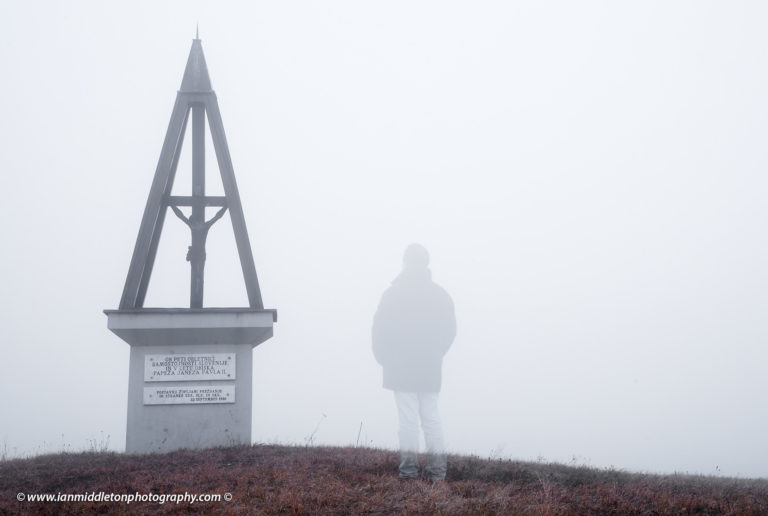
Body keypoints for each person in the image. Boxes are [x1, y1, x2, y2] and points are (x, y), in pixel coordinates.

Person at [372, 243, 456, 481]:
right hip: (429, 366)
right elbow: (450, 331)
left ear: (405, 262)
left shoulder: (394, 294)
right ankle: (437, 473)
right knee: (431, 417)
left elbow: (378, 329)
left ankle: (408, 472)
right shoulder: (440, 295)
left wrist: (383, 358)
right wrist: (437, 352)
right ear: (426, 263)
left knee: (408, 420)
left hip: (400, 368)